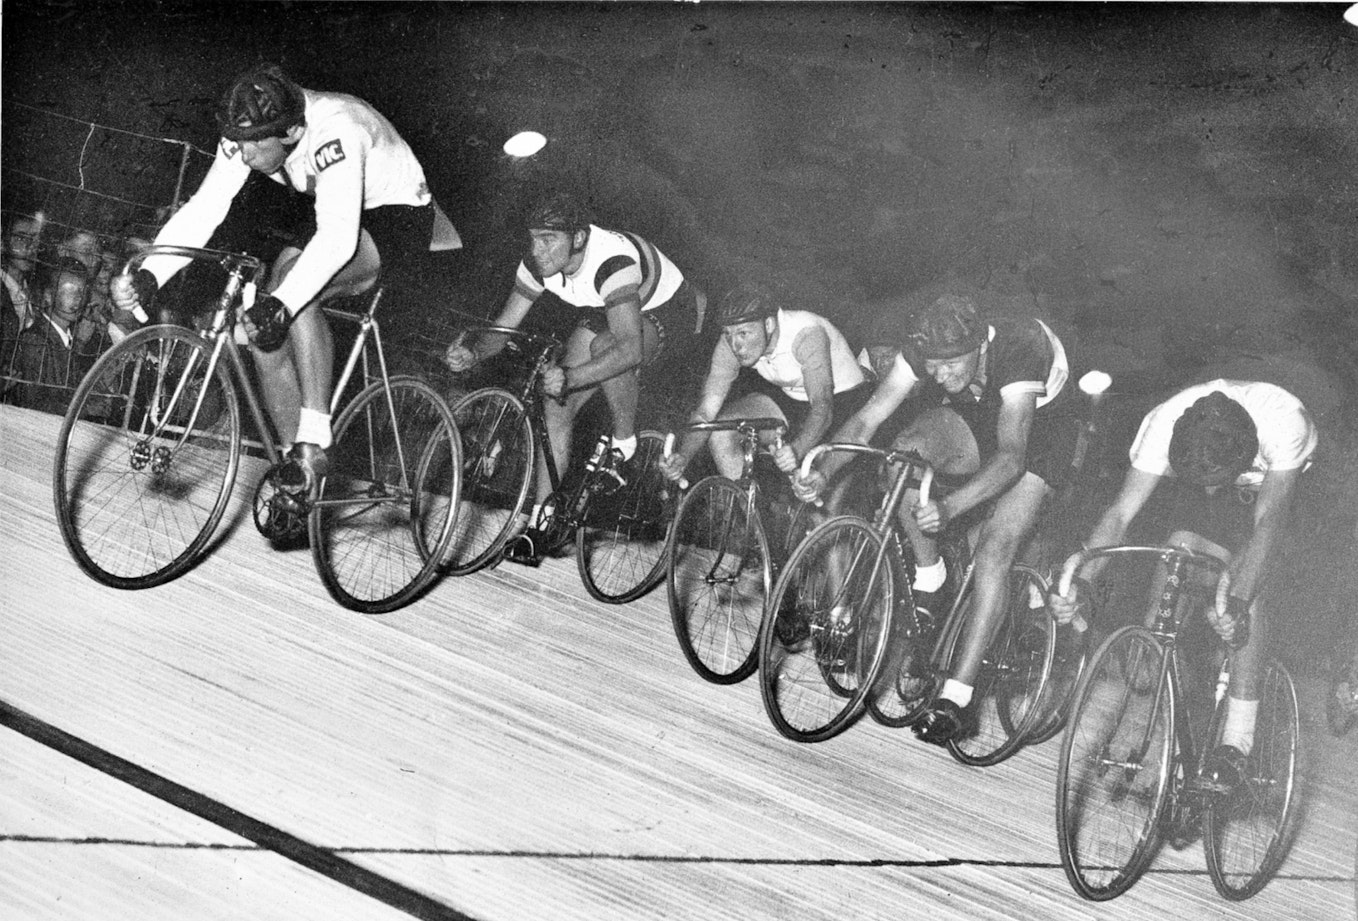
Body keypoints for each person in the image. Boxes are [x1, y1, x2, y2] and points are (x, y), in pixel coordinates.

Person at [111, 63, 455, 497]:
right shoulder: (250, 130)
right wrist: (151, 272)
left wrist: (287, 302)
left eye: (254, 144)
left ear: (291, 133)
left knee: (297, 291)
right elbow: (207, 206)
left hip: (397, 215)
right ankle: (298, 477)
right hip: (334, 202)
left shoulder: (338, 131)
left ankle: (315, 442)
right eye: (236, 140)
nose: (242, 153)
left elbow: (336, 241)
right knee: (262, 326)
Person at [794, 290, 1078, 745]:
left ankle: (957, 700)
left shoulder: (1018, 346)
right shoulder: (926, 350)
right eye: (933, 366)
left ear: (980, 347)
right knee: (902, 456)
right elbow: (868, 419)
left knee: (994, 549)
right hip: (980, 408)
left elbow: (1010, 459)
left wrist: (948, 508)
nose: (941, 376)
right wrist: (824, 473)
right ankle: (933, 577)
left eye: (952, 365)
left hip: (1040, 433)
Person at [1049, 381, 1317, 791]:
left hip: (1274, 489)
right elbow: (1120, 513)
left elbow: (1269, 524)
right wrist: (1081, 582)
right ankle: (1177, 703)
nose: (1211, 488)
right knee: (1178, 551)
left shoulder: (1284, 424)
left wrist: (1239, 602)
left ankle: (1236, 744)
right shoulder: (1161, 424)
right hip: (1205, 476)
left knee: (1247, 590)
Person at [443, 191, 706, 563]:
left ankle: (624, 443)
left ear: (578, 239)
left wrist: (571, 375)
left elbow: (629, 348)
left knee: (603, 348)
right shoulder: (537, 264)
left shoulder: (611, 261)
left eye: (548, 240)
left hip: (669, 308)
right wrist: (474, 351)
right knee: (555, 401)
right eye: (533, 238)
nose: (538, 250)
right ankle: (540, 525)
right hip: (610, 305)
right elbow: (504, 328)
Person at [658, 281, 871, 485]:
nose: (735, 345)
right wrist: (683, 456)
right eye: (728, 333)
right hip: (792, 395)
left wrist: (797, 450)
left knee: (814, 482)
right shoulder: (731, 342)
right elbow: (706, 412)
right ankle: (747, 517)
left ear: (768, 324)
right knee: (722, 431)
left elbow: (823, 408)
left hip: (843, 400)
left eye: (743, 333)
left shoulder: (806, 335)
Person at [4, 256, 94, 413]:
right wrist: (87, 409)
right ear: (48, 296)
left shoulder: (67, 339)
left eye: (83, 291)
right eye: (70, 291)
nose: (79, 299)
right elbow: (33, 403)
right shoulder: (35, 340)